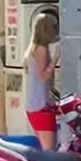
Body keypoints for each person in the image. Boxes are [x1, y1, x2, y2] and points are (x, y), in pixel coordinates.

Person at [24, 12, 60, 150]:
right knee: (48, 151)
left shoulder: (32, 48)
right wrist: (55, 59)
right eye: (54, 26)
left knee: (43, 147)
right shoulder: (42, 49)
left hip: (33, 105)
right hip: (41, 106)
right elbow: (43, 76)